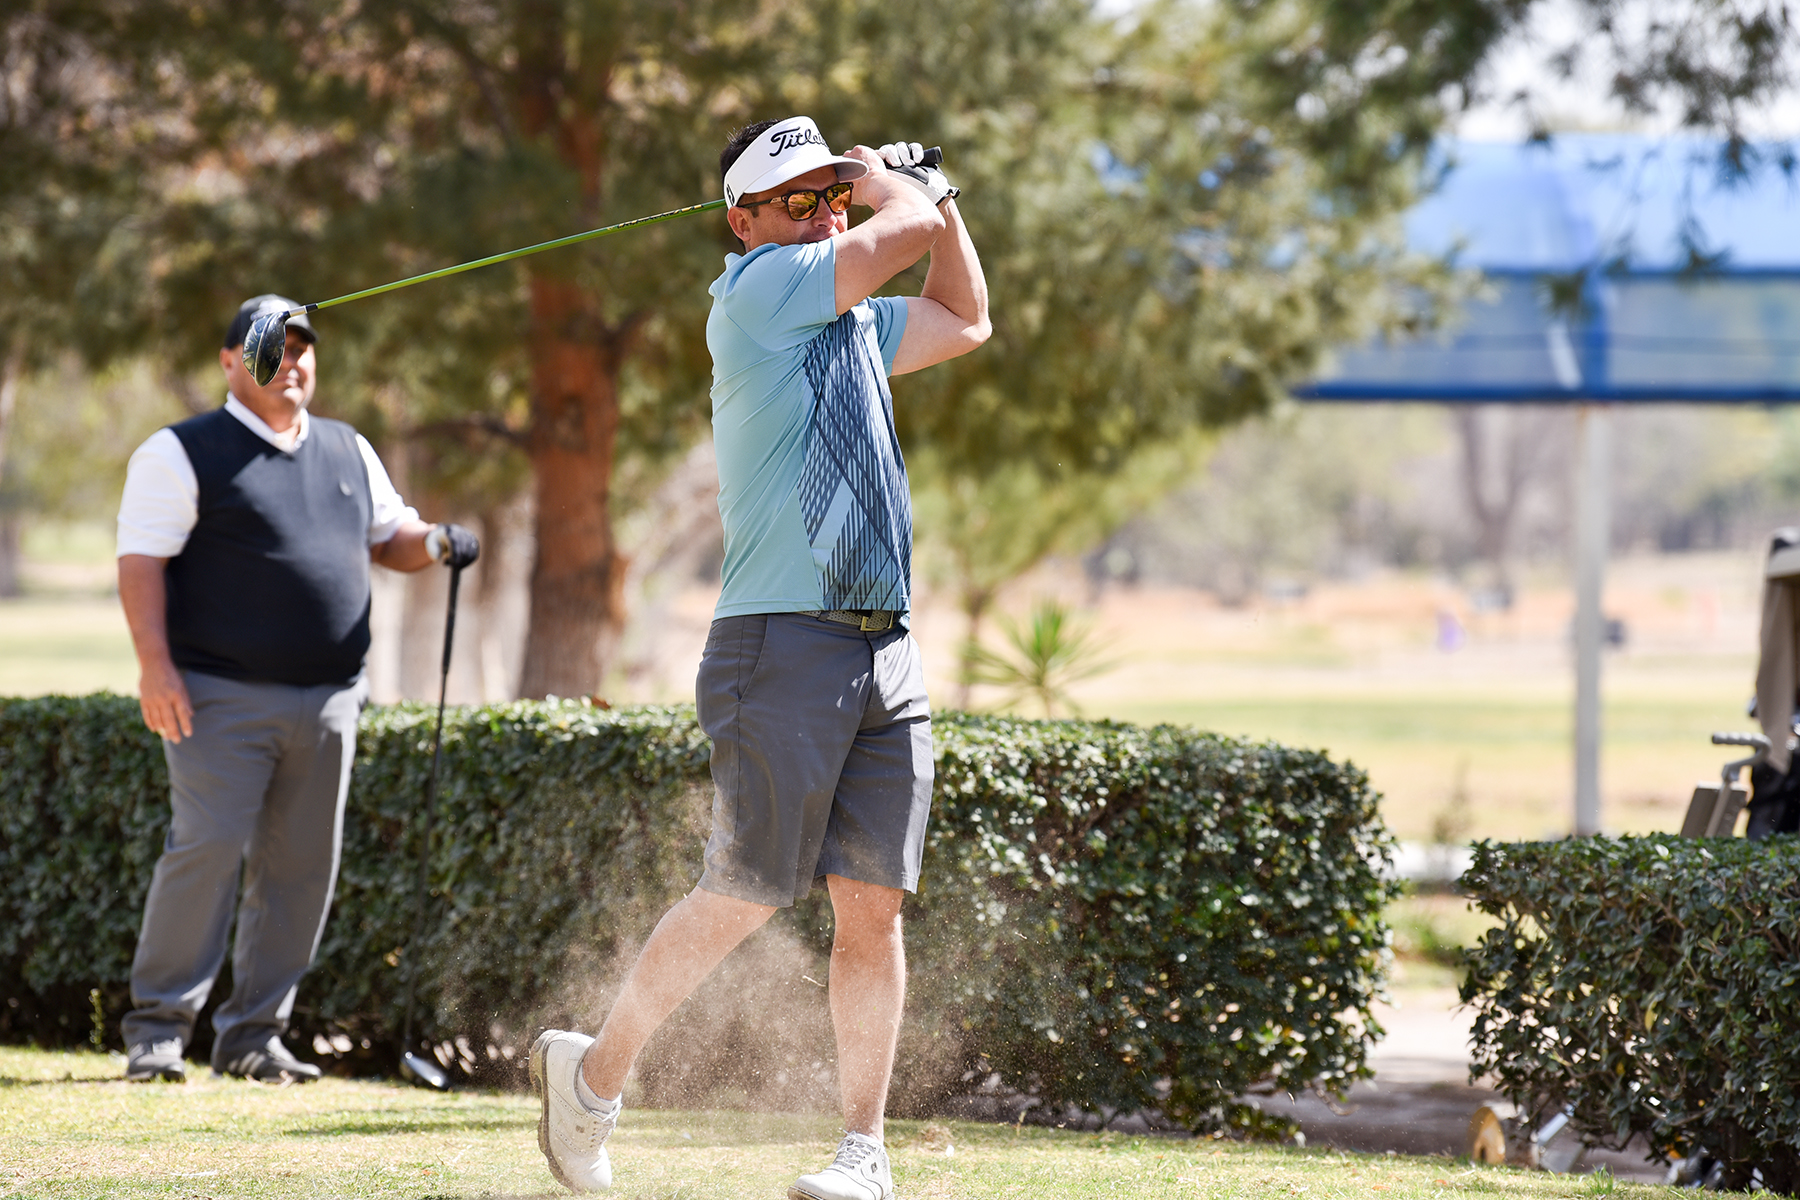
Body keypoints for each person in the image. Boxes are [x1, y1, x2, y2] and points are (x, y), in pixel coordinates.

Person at [529, 117, 989, 1200]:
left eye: (831, 190)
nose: (824, 208)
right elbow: (899, 235)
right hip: (780, 641)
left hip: (885, 645)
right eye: (800, 198)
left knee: (871, 907)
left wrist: (940, 201)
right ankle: (593, 1081)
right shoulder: (760, 294)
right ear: (741, 223)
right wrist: (900, 188)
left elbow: (965, 317)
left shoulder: (853, 323)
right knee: (746, 889)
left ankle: (861, 1154)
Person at [116, 295, 479, 1083]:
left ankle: (252, 1039)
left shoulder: (349, 450)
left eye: (302, 348)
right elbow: (140, 563)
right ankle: (157, 1033)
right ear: (227, 364)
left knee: (301, 868)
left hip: (331, 698)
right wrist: (155, 668)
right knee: (205, 854)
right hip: (215, 696)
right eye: (269, 350)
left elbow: (393, 538)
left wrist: (438, 541)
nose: (292, 363)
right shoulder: (181, 453)